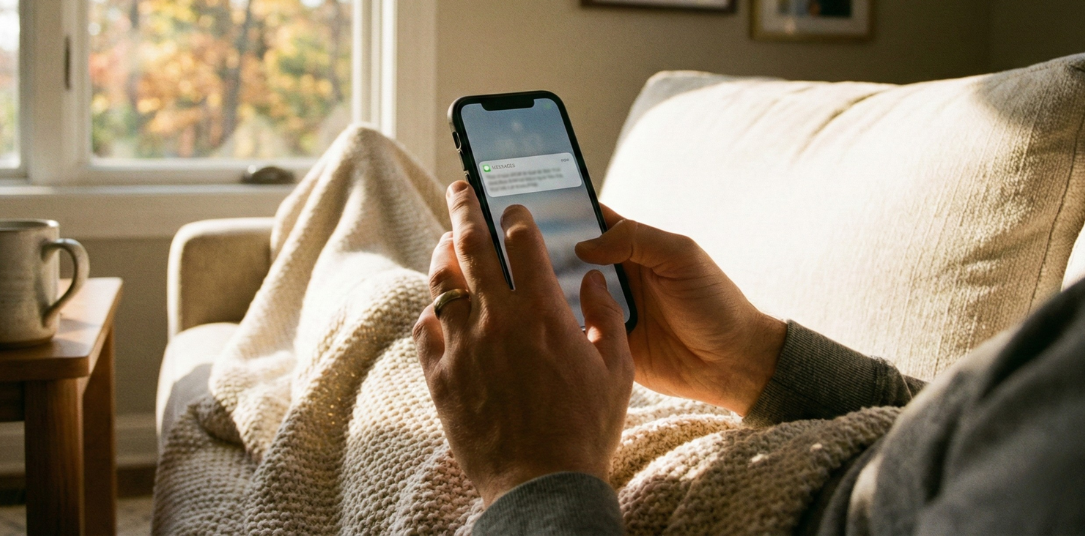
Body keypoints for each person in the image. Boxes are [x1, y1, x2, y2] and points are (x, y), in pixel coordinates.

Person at [413, 181, 1085, 535]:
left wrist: (532, 475)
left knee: (369, 206)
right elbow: (969, 431)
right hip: (724, 427)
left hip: (571, 474)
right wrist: (749, 359)